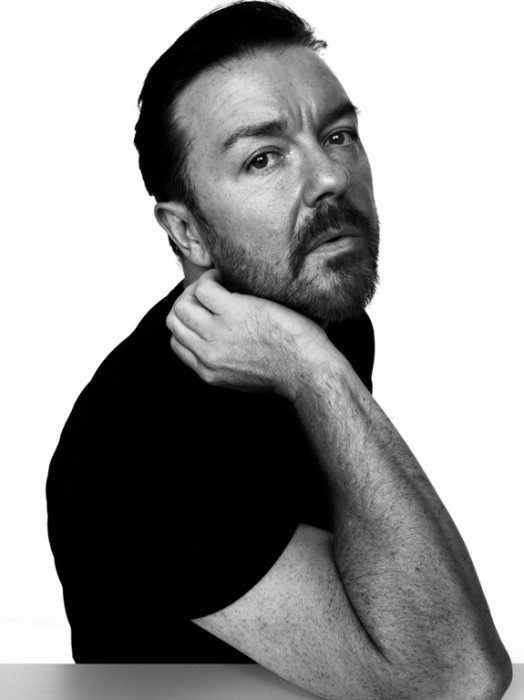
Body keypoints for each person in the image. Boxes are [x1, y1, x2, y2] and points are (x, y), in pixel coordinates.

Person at [47, 2, 512, 698]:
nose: (329, 178)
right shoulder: (139, 450)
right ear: (187, 233)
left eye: (338, 135)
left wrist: (309, 362)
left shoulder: (316, 319)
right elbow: (457, 680)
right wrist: (314, 370)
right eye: (263, 158)